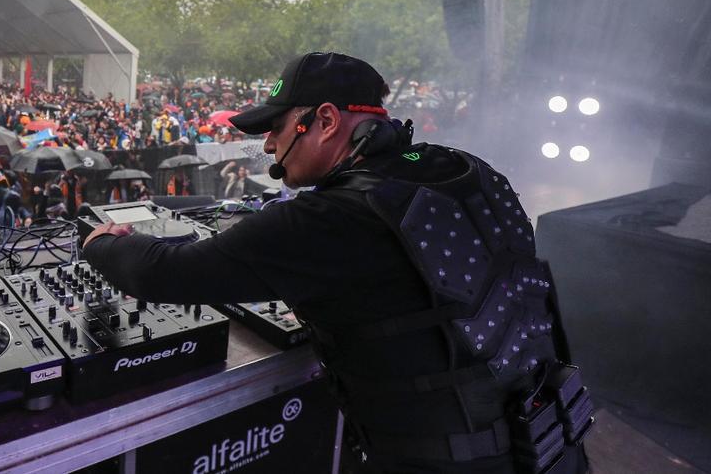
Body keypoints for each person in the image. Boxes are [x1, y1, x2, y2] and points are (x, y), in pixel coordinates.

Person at [83, 52, 590, 474]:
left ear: (324, 120)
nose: (267, 145)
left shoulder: (330, 218)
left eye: (276, 127)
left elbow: (161, 273)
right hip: (552, 441)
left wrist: (101, 241)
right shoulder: (471, 169)